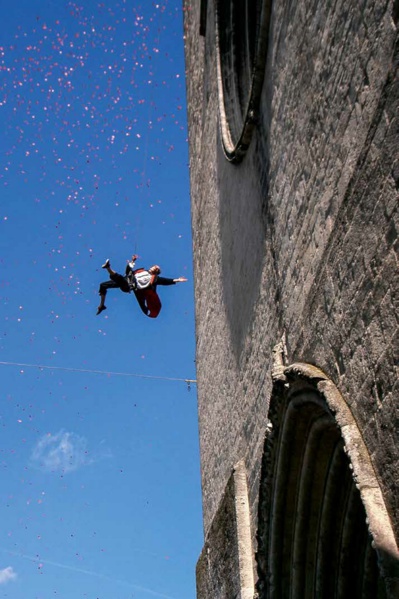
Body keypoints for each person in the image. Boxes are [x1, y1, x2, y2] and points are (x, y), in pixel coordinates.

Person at [96, 255, 187, 317]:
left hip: (128, 286)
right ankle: (101, 305)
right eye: (153, 266)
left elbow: (165, 281)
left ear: (156, 271)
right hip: (126, 280)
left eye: (155, 267)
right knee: (103, 285)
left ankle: (108, 267)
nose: (153, 266)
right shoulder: (141, 271)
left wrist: (177, 280)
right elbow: (128, 271)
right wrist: (132, 261)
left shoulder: (154, 278)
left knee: (119, 279)